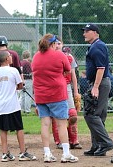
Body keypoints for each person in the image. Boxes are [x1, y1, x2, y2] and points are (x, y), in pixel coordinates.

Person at [32, 33, 78, 163]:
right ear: (52, 44)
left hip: (41, 95)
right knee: (61, 124)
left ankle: (47, 153)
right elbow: (68, 70)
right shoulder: (59, 55)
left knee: (45, 124)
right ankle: (66, 153)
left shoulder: (36, 57)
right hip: (57, 94)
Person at [0, 50, 37, 162]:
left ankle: (4, 153)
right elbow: (20, 85)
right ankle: (22, 152)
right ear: (7, 59)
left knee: (3, 129)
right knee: (19, 128)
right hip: (12, 104)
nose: (11, 56)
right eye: (9, 55)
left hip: (1, 105)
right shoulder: (13, 70)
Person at [81, 23, 113, 156]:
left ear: (95, 32)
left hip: (99, 84)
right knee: (98, 116)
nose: (84, 33)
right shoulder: (95, 46)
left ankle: (105, 143)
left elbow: (101, 68)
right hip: (99, 83)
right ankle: (97, 146)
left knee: (91, 114)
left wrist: (95, 87)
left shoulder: (98, 46)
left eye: (87, 31)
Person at [51, 37, 82, 150]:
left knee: (72, 114)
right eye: (55, 43)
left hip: (66, 86)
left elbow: (73, 76)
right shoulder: (49, 57)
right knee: (56, 115)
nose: (58, 45)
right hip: (54, 87)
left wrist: (76, 92)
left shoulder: (69, 57)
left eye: (59, 43)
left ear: (62, 44)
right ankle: (59, 140)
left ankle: (74, 140)